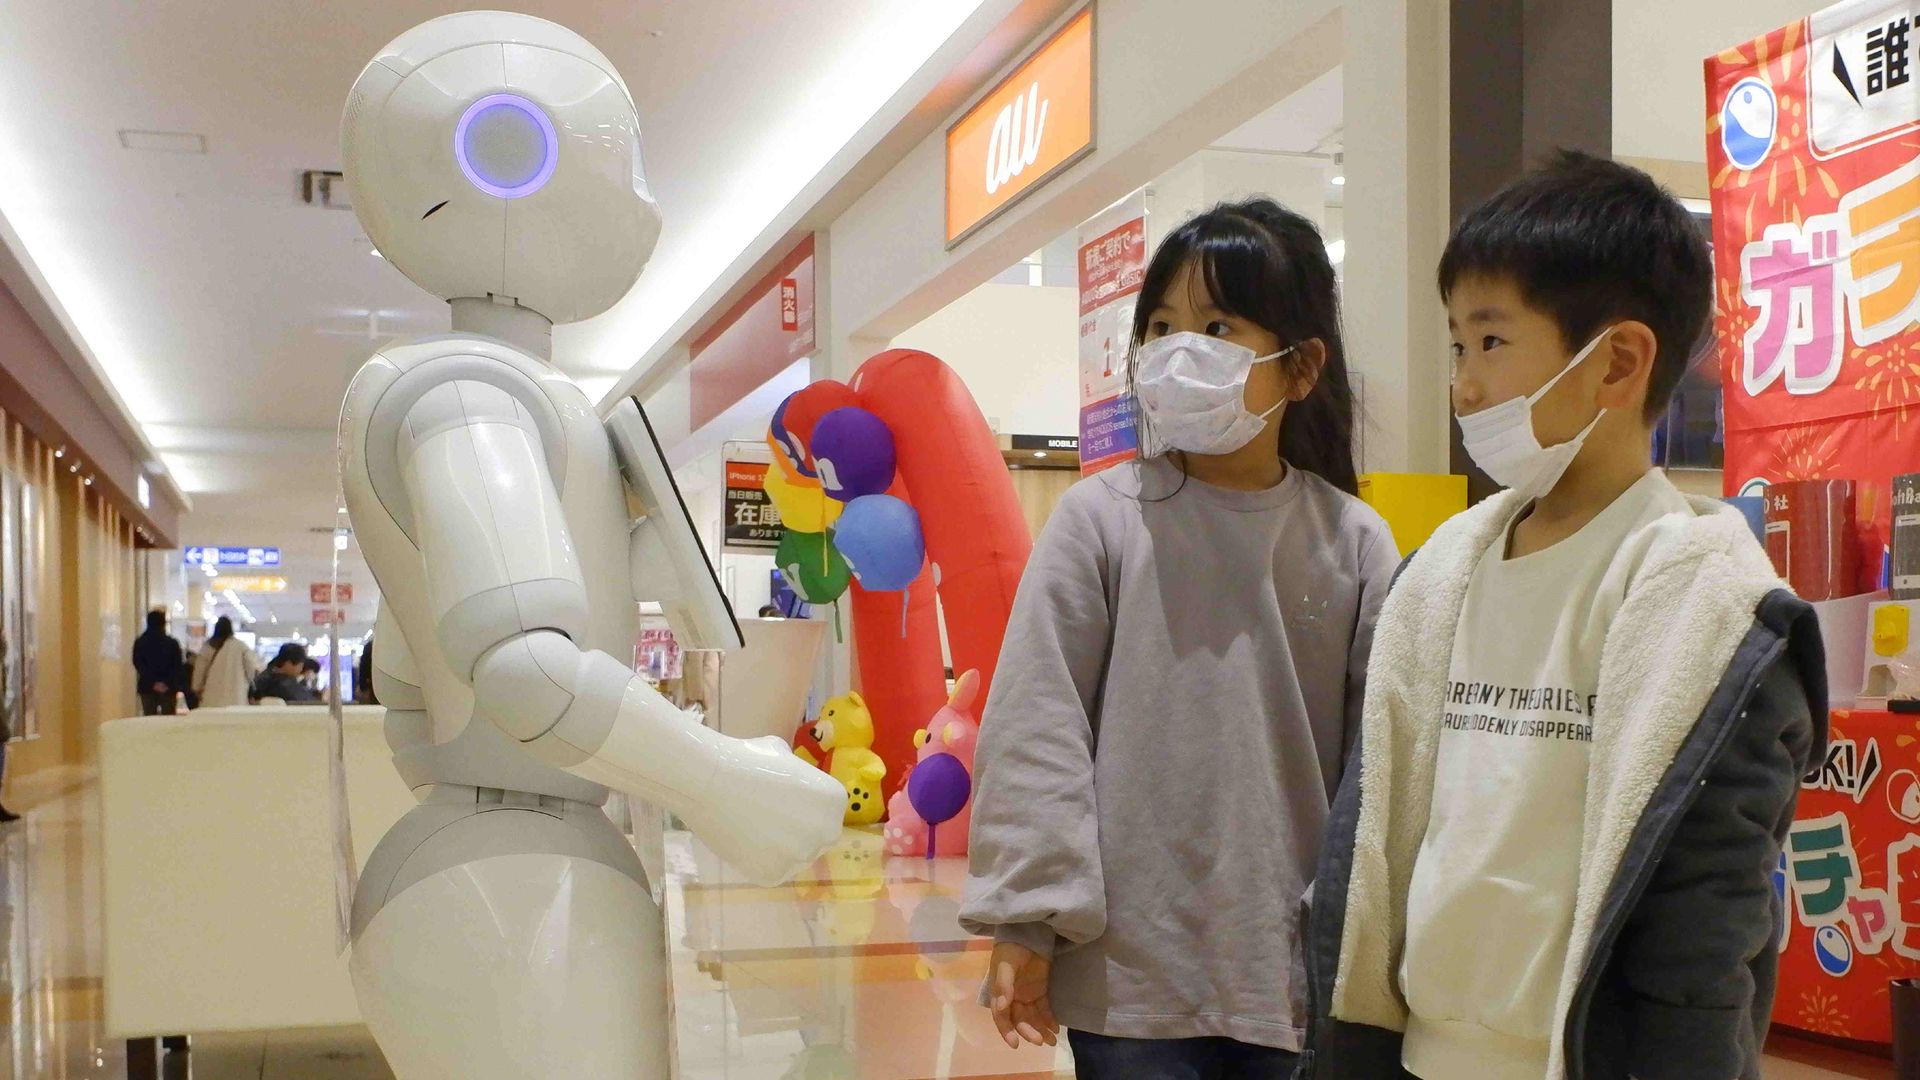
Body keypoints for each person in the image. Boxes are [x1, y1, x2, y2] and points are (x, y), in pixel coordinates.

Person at [1300, 152, 1826, 1080]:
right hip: (1414, 1055)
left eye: (1493, 343)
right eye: (1458, 345)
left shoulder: (1705, 607)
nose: (1463, 384)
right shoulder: (1439, 580)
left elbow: (1706, 929)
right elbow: (1376, 842)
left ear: (1618, 361)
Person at [961, 198, 1399, 1079]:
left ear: (1302, 365)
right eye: (1159, 326)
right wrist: (1029, 916)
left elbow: (1382, 767)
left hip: (1288, 969)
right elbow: (1037, 726)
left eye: (1216, 325)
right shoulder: (1100, 520)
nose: (1176, 349)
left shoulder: (1353, 542)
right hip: (1130, 975)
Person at [190, 616, 261, 709]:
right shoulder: (241, 646)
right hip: (236, 698)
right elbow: (251, 670)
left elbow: (199, 671)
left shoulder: (207, 647)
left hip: (211, 698)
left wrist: (197, 688)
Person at [130, 610, 185, 716]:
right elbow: (177, 666)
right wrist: (165, 683)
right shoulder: (172, 643)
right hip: (168, 687)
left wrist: (153, 683)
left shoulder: (140, 642)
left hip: (147, 686)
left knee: (149, 719)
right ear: (164, 623)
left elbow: (138, 664)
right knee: (168, 720)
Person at [250, 643, 319, 704]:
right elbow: (306, 702)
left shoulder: (263, 677)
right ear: (288, 663)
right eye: (300, 665)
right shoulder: (283, 685)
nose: (300, 669)